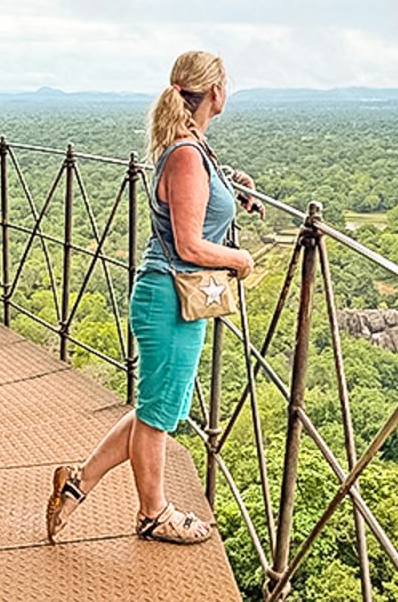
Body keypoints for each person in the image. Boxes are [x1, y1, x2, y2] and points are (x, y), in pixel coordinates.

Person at [45, 50, 264, 545]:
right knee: (159, 413)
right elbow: (188, 243)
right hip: (170, 295)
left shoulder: (192, 149)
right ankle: (153, 513)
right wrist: (239, 260)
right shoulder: (187, 155)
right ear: (215, 92)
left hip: (171, 294)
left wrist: (233, 188)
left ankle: (77, 483)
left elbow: (198, 197)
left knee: (157, 407)